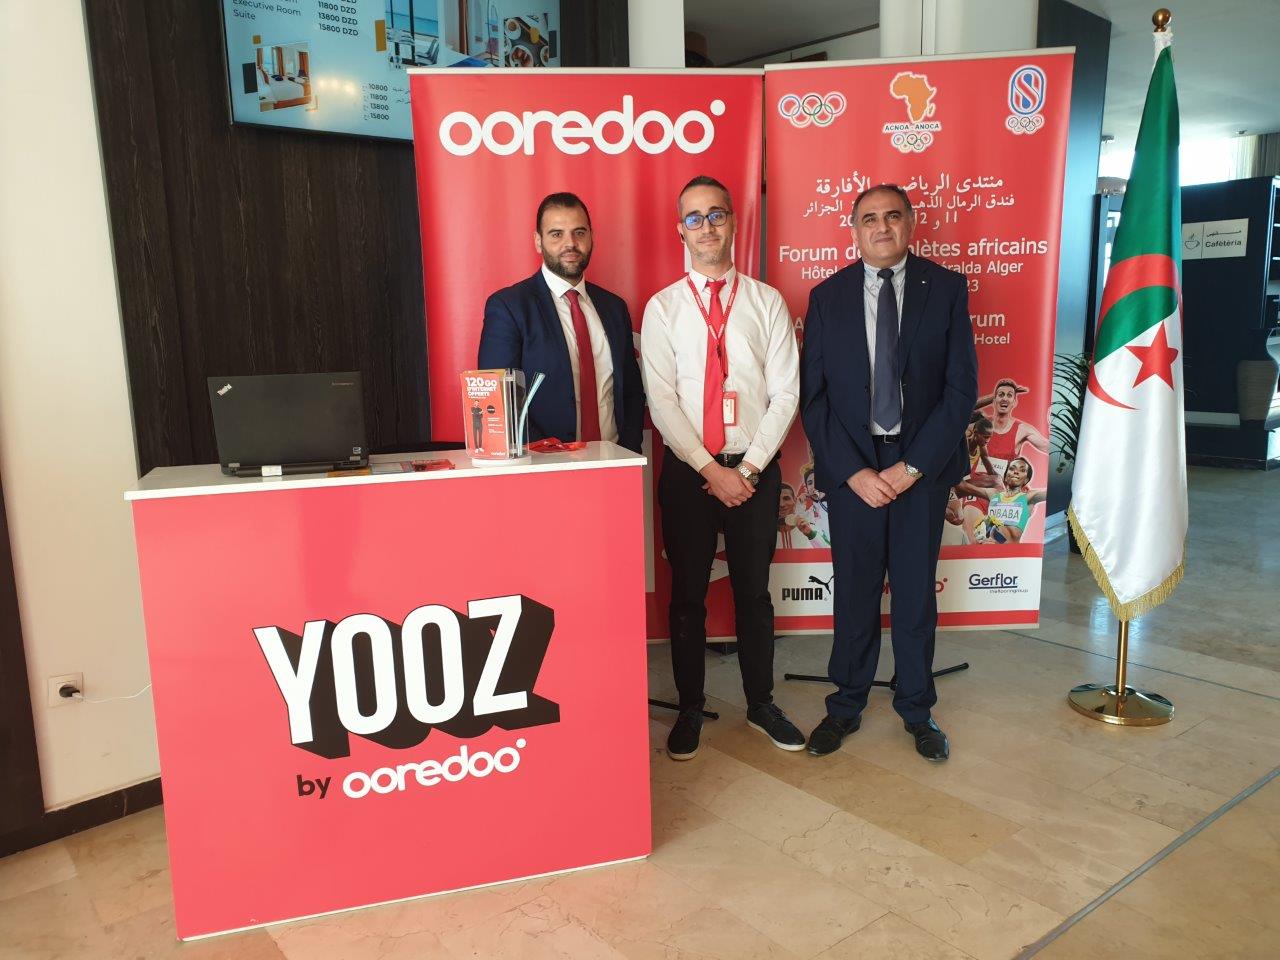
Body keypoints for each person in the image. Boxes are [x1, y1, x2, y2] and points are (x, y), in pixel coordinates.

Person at [800, 183, 977, 762]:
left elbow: (960, 390)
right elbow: (815, 399)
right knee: (854, 594)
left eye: (892, 216)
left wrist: (914, 466)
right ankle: (845, 705)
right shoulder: (827, 297)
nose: (881, 227)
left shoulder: (945, 289)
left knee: (914, 597)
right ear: (854, 230)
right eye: (869, 218)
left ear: (910, 224)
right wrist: (852, 472)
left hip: (920, 467)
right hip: (855, 469)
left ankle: (918, 709)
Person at [642, 174, 804, 760]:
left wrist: (749, 469)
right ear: (679, 230)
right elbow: (662, 400)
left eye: (716, 214)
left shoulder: (766, 302)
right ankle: (690, 707)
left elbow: (786, 394)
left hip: (755, 473)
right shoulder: (662, 308)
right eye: (694, 217)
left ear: (734, 222)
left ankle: (761, 703)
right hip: (690, 474)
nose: (706, 226)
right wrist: (712, 471)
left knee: (753, 593)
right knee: (687, 595)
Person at [478, 192, 644, 453]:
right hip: (544, 465)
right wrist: (552, 458)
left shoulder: (614, 307)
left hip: (615, 461)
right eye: (557, 234)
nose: (570, 244)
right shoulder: (509, 306)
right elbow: (500, 400)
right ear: (538, 241)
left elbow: (631, 391)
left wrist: (628, 450)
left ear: (591, 237)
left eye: (579, 233)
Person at [978, 379, 1048, 476]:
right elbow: (967, 408)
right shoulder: (981, 423)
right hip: (975, 483)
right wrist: (993, 396)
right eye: (1001, 395)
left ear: (1014, 402)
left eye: (1009, 395)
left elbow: (1048, 447)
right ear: (994, 400)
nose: (1005, 399)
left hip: (1003, 485)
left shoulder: (1023, 430)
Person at [978, 456, 1045, 544]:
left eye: (1022, 470)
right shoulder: (993, 494)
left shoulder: (1029, 497)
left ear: (1026, 480)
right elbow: (964, 487)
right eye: (1012, 469)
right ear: (1005, 477)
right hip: (988, 546)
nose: (1016, 472)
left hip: (1010, 549)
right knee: (984, 523)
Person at [777, 483, 821, 548]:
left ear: (795, 500)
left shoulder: (810, 528)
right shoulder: (764, 532)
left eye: (786, 498)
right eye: (776, 499)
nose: (781, 504)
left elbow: (825, 550)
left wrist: (810, 534)